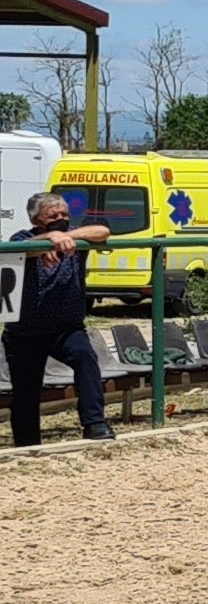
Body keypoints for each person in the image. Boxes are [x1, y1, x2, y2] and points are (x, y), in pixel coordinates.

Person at [5, 191, 116, 445]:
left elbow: (102, 232)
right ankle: (27, 444)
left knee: (85, 358)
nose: (60, 218)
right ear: (36, 220)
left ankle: (94, 424)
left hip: (67, 329)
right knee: (26, 391)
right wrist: (47, 240)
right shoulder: (23, 238)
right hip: (25, 331)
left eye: (64, 214)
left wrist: (66, 237)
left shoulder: (74, 239)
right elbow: (22, 250)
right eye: (52, 216)